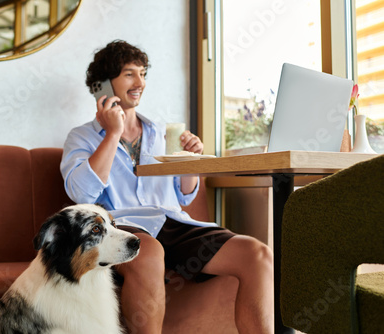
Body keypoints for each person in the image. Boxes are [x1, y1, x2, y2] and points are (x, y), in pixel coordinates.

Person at [60, 40, 273, 334]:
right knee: (149, 252)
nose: (140, 83)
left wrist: (191, 162)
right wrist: (113, 133)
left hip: (172, 222)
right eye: (129, 74)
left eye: (143, 73)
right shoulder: (81, 138)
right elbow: (81, 194)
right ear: (103, 86)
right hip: (122, 225)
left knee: (257, 253)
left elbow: (185, 194)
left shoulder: (161, 132)